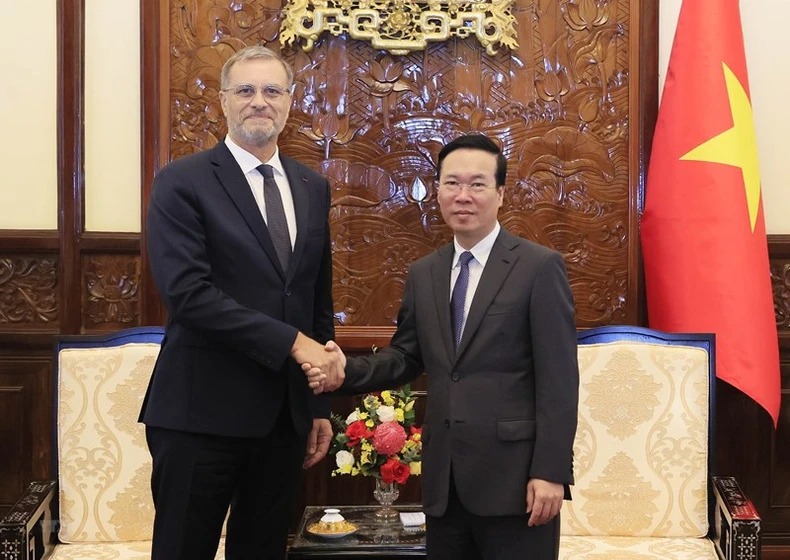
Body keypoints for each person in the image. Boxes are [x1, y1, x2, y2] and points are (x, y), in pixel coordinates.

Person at [307, 134, 579, 560]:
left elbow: (559, 380)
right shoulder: (425, 273)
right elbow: (405, 357)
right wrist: (345, 369)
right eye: (452, 183)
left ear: (501, 193)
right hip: (444, 486)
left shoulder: (538, 267)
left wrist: (550, 471)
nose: (463, 196)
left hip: (517, 484)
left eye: (477, 184)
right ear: (437, 191)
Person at [139, 45, 344, 560]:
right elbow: (189, 295)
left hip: (282, 420)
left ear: (290, 101)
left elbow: (315, 299)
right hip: (199, 415)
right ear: (224, 101)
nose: (259, 101)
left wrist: (316, 405)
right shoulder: (182, 181)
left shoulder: (311, 186)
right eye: (246, 90)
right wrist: (293, 343)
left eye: (272, 90)